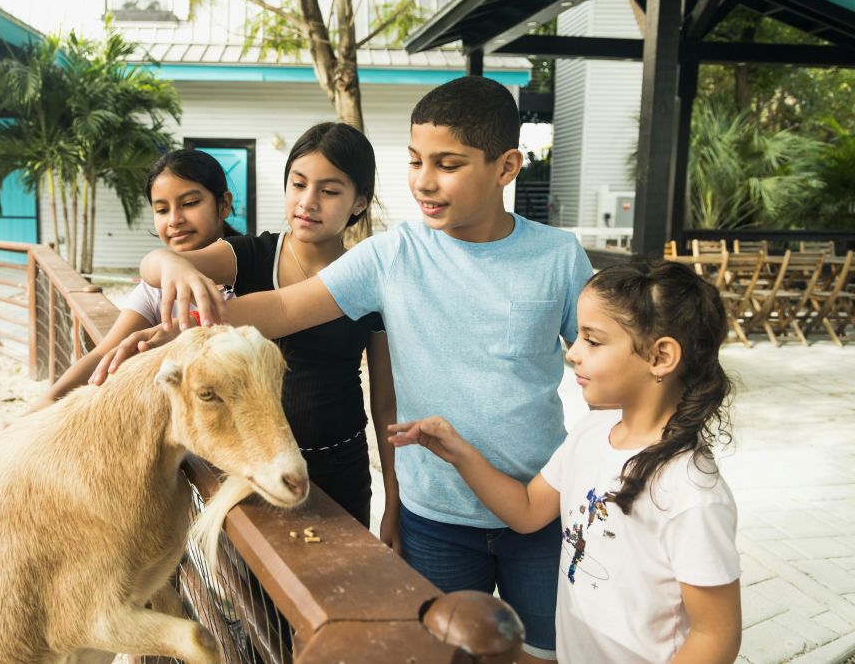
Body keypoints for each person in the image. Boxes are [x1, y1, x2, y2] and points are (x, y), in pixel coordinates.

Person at [122, 76, 593, 663]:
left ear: (506, 167)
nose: (424, 180)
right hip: (434, 515)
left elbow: (603, 361)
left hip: (540, 508)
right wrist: (180, 326)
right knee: (437, 653)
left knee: (543, 653)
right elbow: (281, 308)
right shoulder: (392, 254)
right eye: (416, 160)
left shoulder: (558, 256)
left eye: (447, 164)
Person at [390, 260, 743, 664]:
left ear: (660, 356)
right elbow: (525, 512)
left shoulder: (691, 492)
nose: (573, 353)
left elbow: (715, 635)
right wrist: (461, 454)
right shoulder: (592, 431)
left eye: (592, 341)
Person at [96, 122, 396, 530]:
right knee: (251, 588)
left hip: (341, 465)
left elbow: (385, 403)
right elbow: (152, 267)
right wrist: (171, 266)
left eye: (329, 191)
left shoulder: (367, 278)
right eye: (298, 184)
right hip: (251, 458)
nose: (308, 201)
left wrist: (393, 499)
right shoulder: (253, 255)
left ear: (359, 202)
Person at [30, 149, 238, 410]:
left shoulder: (252, 277)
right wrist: (46, 403)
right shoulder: (157, 286)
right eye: (162, 209)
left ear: (224, 204)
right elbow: (104, 352)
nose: (174, 220)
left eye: (190, 203)